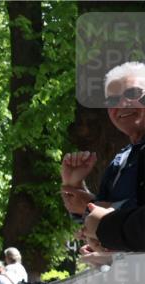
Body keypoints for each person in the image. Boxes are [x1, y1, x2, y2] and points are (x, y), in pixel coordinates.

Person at [61, 61, 143, 219]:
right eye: (112, 100)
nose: (121, 104)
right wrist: (73, 186)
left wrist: (94, 207)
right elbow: (97, 222)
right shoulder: (121, 160)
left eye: (132, 94)